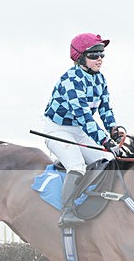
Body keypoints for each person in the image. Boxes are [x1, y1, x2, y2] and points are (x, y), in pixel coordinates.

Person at [41, 33, 126, 227]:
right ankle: (67, 211)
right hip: (57, 129)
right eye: (94, 55)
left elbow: (105, 109)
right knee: (77, 165)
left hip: (78, 130)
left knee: (107, 160)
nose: (100, 59)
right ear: (81, 57)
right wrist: (106, 142)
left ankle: (93, 200)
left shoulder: (100, 79)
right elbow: (84, 117)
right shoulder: (70, 79)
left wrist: (112, 129)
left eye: (102, 55)